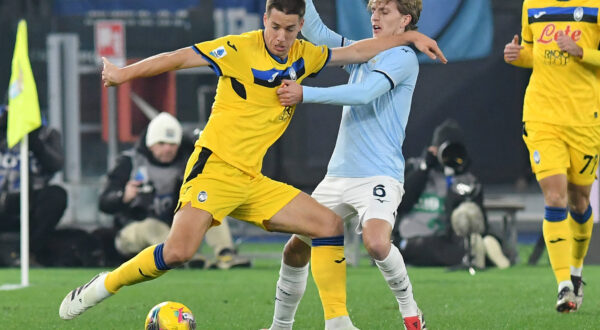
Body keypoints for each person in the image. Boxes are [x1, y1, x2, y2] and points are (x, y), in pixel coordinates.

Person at [58, 0, 445, 325]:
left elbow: (358, 51)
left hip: (253, 179)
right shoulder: (238, 48)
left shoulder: (305, 55)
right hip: (216, 168)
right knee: (178, 252)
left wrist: (410, 37)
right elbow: (178, 58)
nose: (281, 37)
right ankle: (102, 286)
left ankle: (337, 321)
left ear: (300, 28)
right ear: (265, 20)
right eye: (275, 26)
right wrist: (123, 73)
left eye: (290, 29)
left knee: (327, 225)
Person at [267, 1, 445, 329]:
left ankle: (411, 312)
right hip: (339, 174)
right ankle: (280, 326)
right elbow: (318, 33)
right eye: (373, 10)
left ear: (405, 19)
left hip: (379, 173)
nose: (375, 17)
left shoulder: (404, 58)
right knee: (295, 251)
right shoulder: (361, 50)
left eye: (384, 11)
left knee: (377, 243)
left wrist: (305, 93)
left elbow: (364, 93)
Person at [504, 0, 600, 313]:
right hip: (541, 115)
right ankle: (563, 286)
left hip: (585, 117)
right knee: (555, 197)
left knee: (579, 201)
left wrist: (581, 51)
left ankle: (575, 270)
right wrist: (519, 56)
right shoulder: (532, 4)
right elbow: (534, 54)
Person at [98, 112, 250, 269]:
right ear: (151, 144)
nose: (167, 149)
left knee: (209, 208)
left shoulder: (188, 163)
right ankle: (182, 257)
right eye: (162, 143)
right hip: (131, 233)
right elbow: (103, 203)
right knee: (153, 226)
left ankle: (225, 255)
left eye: (172, 144)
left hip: (175, 230)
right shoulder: (129, 162)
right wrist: (123, 197)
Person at [392, 119, 510, 270]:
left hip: (449, 240)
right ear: (434, 149)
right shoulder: (415, 168)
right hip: (414, 238)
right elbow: (401, 203)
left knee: (463, 239)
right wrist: (425, 169)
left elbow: (480, 220)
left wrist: (457, 181)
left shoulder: (467, 180)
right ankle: (477, 253)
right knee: (421, 248)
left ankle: (477, 249)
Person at [0, 104, 66, 265]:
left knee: (56, 195)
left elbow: (56, 164)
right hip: (2, 200)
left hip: (31, 200)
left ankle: (30, 253)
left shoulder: (47, 133)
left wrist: (34, 140)